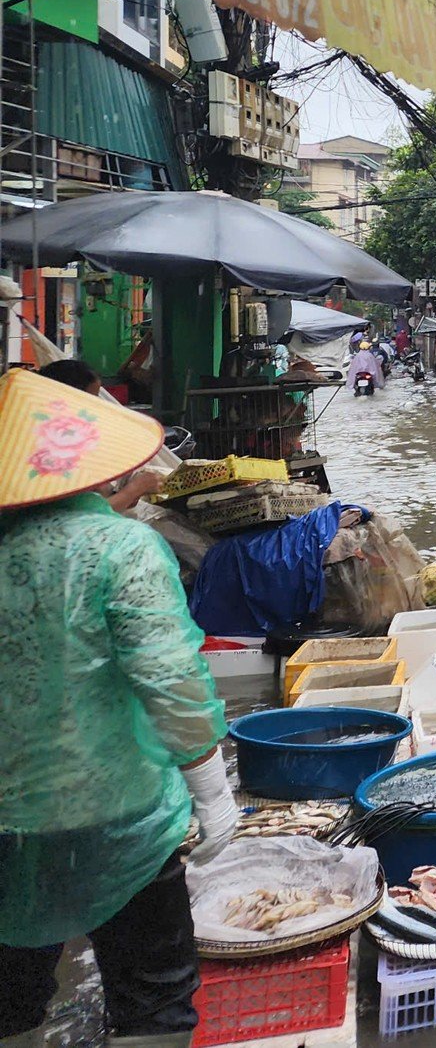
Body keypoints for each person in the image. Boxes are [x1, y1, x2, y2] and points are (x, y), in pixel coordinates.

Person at [0, 369, 236, 1044]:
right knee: (152, 999)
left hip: (8, 828)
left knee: (11, 1002)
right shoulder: (119, 547)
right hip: (119, 817)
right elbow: (168, 677)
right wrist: (210, 786)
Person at [34, 360, 163, 511]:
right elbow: (85, 516)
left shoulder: (70, 440)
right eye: (92, 400)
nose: (96, 407)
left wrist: (126, 495)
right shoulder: (50, 450)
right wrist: (134, 489)